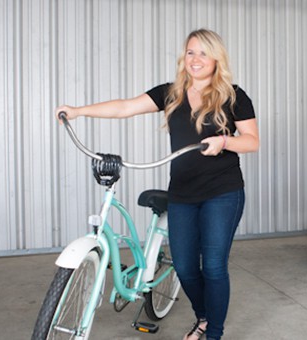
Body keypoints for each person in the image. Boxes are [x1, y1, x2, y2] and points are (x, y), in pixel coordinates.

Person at [56, 28, 259, 340]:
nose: (196, 59)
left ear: (216, 58)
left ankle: (213, 333)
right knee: (186, 267)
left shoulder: (234, 96)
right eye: (191, 52)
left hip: (223, 192)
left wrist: (224, 141)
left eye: (203, 53)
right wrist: (80, 111)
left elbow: (251, 141)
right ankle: (203, 317)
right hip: (182, 193)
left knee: (214, 267)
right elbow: (125, 107)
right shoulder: (171, 93)